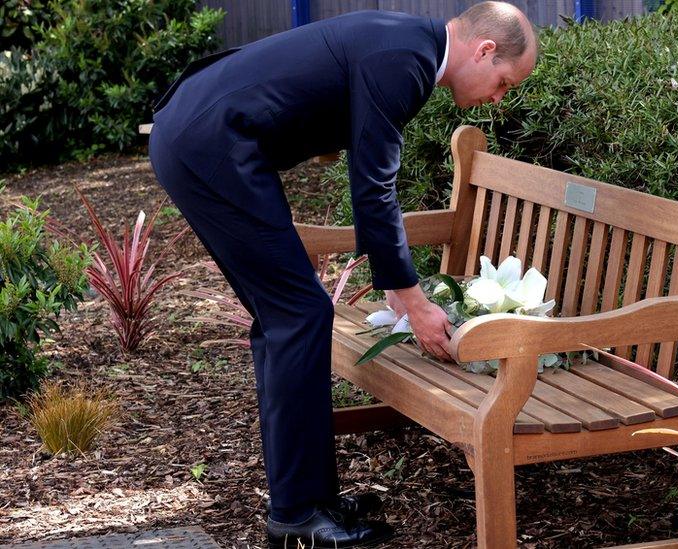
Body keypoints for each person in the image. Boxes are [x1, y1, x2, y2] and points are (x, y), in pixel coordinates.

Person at [148, 2, 537, 546]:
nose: (498, 97)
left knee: (287, 319)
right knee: (299, 315)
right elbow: (373, 187)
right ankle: (295, 517)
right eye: (502, 83)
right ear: (485, 50)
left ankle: (310, 498)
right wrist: (411, 298)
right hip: (209, 144)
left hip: (202, 136)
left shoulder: (410, 42)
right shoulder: (408, 62)